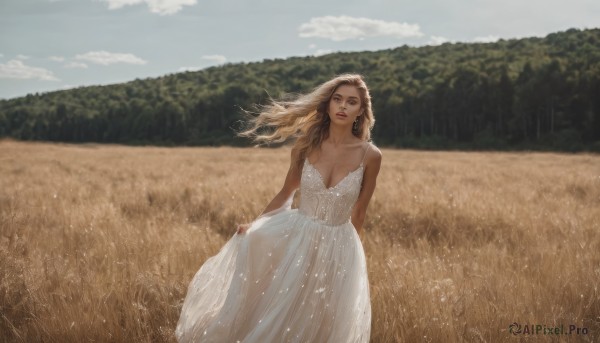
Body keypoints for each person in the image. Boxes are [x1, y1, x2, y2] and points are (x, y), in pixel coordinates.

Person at [176, 74, 382, 343]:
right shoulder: (306, 146)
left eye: (351, 102)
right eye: (338, 99)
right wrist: (257, 224)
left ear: (361, 111)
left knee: (322, 318)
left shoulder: (371, 155)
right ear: (328, 105)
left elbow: (360, 213)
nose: (343, 106)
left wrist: (354, 263)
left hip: (340, 247)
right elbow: (287, 193)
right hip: (298, 238)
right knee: (283, 313)